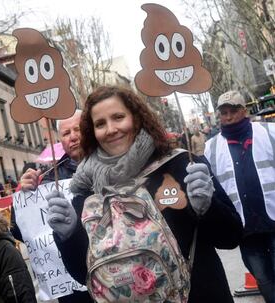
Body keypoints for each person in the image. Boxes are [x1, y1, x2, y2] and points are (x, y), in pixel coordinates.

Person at [46, 86, 243, 303]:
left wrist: (208, 208)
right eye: (100, 123)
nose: (110, 129)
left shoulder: (181, 165)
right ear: (92, 131)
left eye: (118, 117)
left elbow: (230, 237)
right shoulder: (86, 191)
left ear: (137, 118)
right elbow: (82, 273)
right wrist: (69, 235)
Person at [205, 90, 275, 303]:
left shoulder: (270, 132)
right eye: (223, 112)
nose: (228, 117)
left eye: (233, 111)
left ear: (244, 111)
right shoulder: (211, 147)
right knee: (263, 280)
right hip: (244, 229)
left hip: (274, 220)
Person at [14, 109, 93, 303]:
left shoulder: (112, 166)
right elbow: (21, 233)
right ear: (59, 139)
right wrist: (24, 196)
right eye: (66, 133)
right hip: (72, 286)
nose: (73, 137)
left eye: (78, 129)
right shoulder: (47, 179)